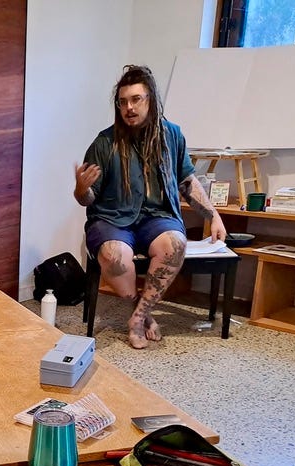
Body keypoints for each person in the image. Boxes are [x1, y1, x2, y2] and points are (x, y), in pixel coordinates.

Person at [74, 64, 226, 349]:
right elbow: (88, 199)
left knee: (175, 244)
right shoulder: (104, 142)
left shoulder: (172, 135)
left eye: (136, 99)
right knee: (114, 255)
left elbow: (186, 182)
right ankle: (141, 311)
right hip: (112, 218)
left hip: (158, 215)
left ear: (151, 100)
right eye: (122, 102)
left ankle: (137, 318)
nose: (128, 108)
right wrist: (81, 190)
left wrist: (213, 215)